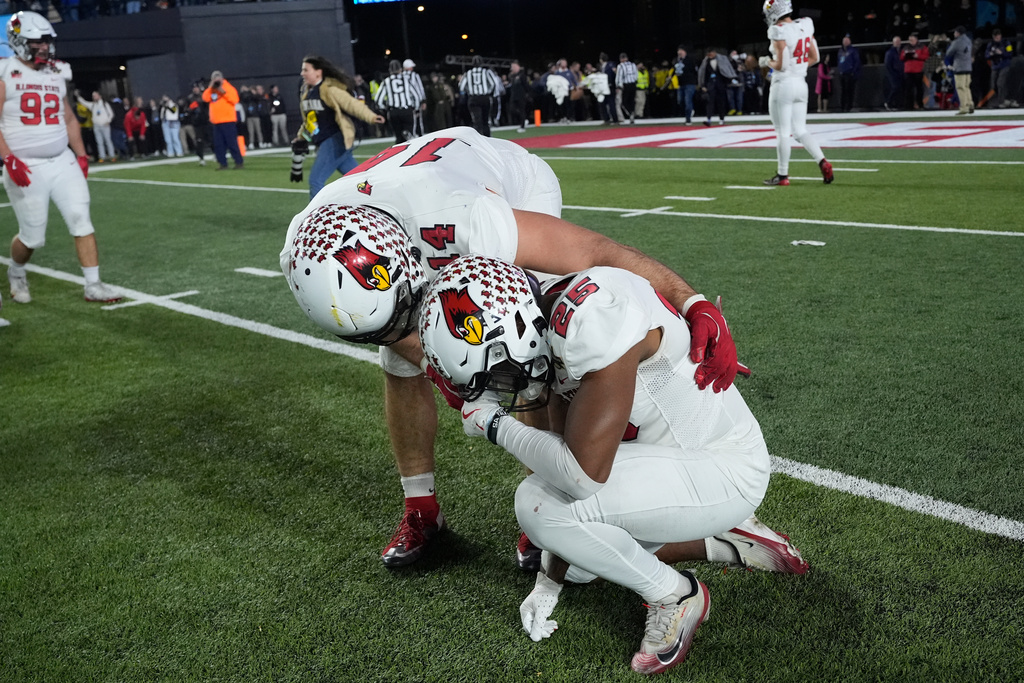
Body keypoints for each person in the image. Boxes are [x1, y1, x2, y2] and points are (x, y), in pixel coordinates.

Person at [279, 126, 747, 570]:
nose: (403, 327)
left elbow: (594, 252)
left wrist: (693, 301)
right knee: (396, 365)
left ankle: (557, 492)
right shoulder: (303, 251)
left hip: (506, 183)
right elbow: (386, 328)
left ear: (407, 263)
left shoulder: (467, 220)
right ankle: (422, 508)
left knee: (531, 348)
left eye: (404, 311)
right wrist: (429, 360)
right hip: (408, 213)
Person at [418, 255, 806, 675]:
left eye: (497, 372)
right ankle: (728, 539)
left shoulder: (591, 319)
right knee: (581, 564)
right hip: (677, 462)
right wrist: (548, 582)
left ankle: (677, 595)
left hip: (723, 467)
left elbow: (581, 477)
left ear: (507, 332)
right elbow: (568, 467)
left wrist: (497, 426)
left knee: (535, 504)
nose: (503, 386)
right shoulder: (547, 319)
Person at [1, 12, 121, 304]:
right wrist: (8, 159)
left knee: (81, 219)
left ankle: (93, 284)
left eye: (47, 41)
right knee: (32, 237)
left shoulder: (57, 72)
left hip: (61, 159)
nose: (44, 47)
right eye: (37, 42)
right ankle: (16, 271)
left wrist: (80, 155)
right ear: (18, 41)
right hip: (25, 164)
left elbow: (67, 117)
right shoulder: (6, 71)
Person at [760, 0, 834, 187]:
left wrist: (765, 62)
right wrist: (796, 67)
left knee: (783, 132)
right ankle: (822, 161)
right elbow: (814, 57)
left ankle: (783, 175)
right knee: (800, 130)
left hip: (783, 84)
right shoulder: (805, 24)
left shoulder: (778, 30)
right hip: (801, 84)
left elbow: (782, 65)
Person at [292, 55, 385, 199]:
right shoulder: (307, 93)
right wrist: (300, 136)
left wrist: (371, 117)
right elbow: (309, 120)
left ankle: (317, 220)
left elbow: (351, 104)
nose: (302, 73)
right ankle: (381, 198)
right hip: (328, 142)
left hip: (334, 140)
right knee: (359, 181)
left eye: (306, 70)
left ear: (318, 72)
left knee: (315, 180)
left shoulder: (329, 89)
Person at [374, 59, 424, 144]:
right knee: (410, 138)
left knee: (398, 137)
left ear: (390, 70)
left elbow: (378, 99)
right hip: (407, 110)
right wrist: (416, 109)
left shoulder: (386, 81)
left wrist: (384, 109)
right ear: (400, 69)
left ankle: (400, 152)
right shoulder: (406, 80)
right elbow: (416, 96)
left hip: (394, 111)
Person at [202, 70, 244, 170]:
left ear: (222, 78)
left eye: (217, 78)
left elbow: (235, 100)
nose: (216, 81)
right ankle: (223, 163)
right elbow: (205, 98)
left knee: (232, 143)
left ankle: (239, 162)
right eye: (214, 79)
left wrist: (222, 91)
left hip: (228, 120)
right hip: (216, 122)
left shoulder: (229, 88)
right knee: (219, 145)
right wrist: (210, 87)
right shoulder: (212, 90)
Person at [460, 55, 502, 136]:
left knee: (477, 121)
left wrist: (469, 91)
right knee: (485, 121)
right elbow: (493, 84)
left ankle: (479, 142)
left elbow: (461, 86)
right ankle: (488, 140)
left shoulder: (468, 73)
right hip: (484, 98)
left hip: (473, 98)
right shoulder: (486, 72)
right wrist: (488, 92)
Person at [946, 25, 975, 115]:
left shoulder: (957, 42)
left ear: (958, 33)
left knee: (960, 87)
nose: (954, 34)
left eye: (955, 32)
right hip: (968, 67)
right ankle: (970, 104)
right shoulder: (968, 40)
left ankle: (964, 107)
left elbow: (949, 53)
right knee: (966, 87)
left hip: (960, 67)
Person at [698, 48, 730, 126]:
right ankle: (709, 119)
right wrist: (703, 85)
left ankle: (722, 119)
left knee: (721, 103)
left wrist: (726, 83)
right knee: (709, 102)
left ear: (714, 53)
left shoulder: (721, 60)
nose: (710, 55)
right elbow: (703, 74)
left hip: (720, 85)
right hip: (710, 85)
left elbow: (726, 71)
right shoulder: (705, 62)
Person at [984, 29, 1015, 108]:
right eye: (995, 38)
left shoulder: (1006, 43)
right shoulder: (991, 44)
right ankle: (997, 101)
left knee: (1000, 83)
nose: (996, 39)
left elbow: (1010, 53)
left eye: (998, 37)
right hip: (995, 66)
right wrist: (991, 54)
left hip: (1004, 65)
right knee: (993, 84)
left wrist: (1002, 53)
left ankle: (1002, 101)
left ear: (1000, 36)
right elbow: (986, 55)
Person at [80, 90, 115, 161]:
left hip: (105, 125)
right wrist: (78, 97)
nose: (94, 97)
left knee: (107, 140)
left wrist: (108, 121)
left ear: (99, 96)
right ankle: (102, 156)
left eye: (95, 95)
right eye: (93, 96)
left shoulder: (105, 104)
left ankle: (112, 156)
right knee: (99, 142)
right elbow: (84, 103)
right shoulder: (93, 105)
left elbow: (111, 114)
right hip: (96, 126)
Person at [901, 33, 930, 110]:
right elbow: (901, 57)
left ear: (916, 39)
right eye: (910, 40)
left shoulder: (922, 47)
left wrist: (918, 56)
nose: (911, 41)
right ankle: (908, 106)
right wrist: (905, 56)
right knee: (908, 89)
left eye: (912, 40)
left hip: (918, 70)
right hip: (908, 70)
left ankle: (920, 105)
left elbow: (926, 56)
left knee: (919, 88)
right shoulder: (905, 47)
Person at [837, 34, 862, 112]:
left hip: (849, 74)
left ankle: (848, 106)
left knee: (849, 91)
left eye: (846, 41)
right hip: (842, 74)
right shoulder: (841, 51)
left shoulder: (853, 51)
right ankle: (842, 106)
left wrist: (853, 72)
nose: (845, 42)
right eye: (844, 41)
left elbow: (857, 62)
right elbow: (839, 61)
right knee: (843, 91)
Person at [673, 46, 698, 123]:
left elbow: (695, 71)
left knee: (688, 100)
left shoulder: (690, 60)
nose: (679, 52)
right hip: (681, 83)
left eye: (681, 50)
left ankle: (688, 119)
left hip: (690, 83)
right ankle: (690, 110)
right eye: (678, 50)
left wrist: (695, 81)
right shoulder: (676, 60)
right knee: (680, 101)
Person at [507, 60, 531, 133]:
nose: (512, 68)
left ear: (517, 67)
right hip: (514, 96)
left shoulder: (522, 75)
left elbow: (526, 85)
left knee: (522, 110)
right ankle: (524, 119)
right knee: (512, 109)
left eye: (513, 66)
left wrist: (528, 94)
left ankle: (522, 126)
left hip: (521, 96)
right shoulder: (512, 76)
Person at [615, 52, 639, 124]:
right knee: (632, 101)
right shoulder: (633, 65)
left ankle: (630, 113)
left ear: (621, 59)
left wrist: (618, 85)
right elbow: (636, 75)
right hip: (633, 84)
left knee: (624, 102)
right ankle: (632, 113)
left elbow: (619, 76)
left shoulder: (621, 66)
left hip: (626, 85)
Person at [884, 35, 905, 110]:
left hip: (901, 73)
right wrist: (892, 73)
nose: (898, 43)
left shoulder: (902, 51)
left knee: (900, 89)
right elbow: (888, 64)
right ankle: (888, 102)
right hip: (893, 73)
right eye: (896, 42)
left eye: (899, 41)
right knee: (895, 87)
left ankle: (897, 104)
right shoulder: (890, 52)